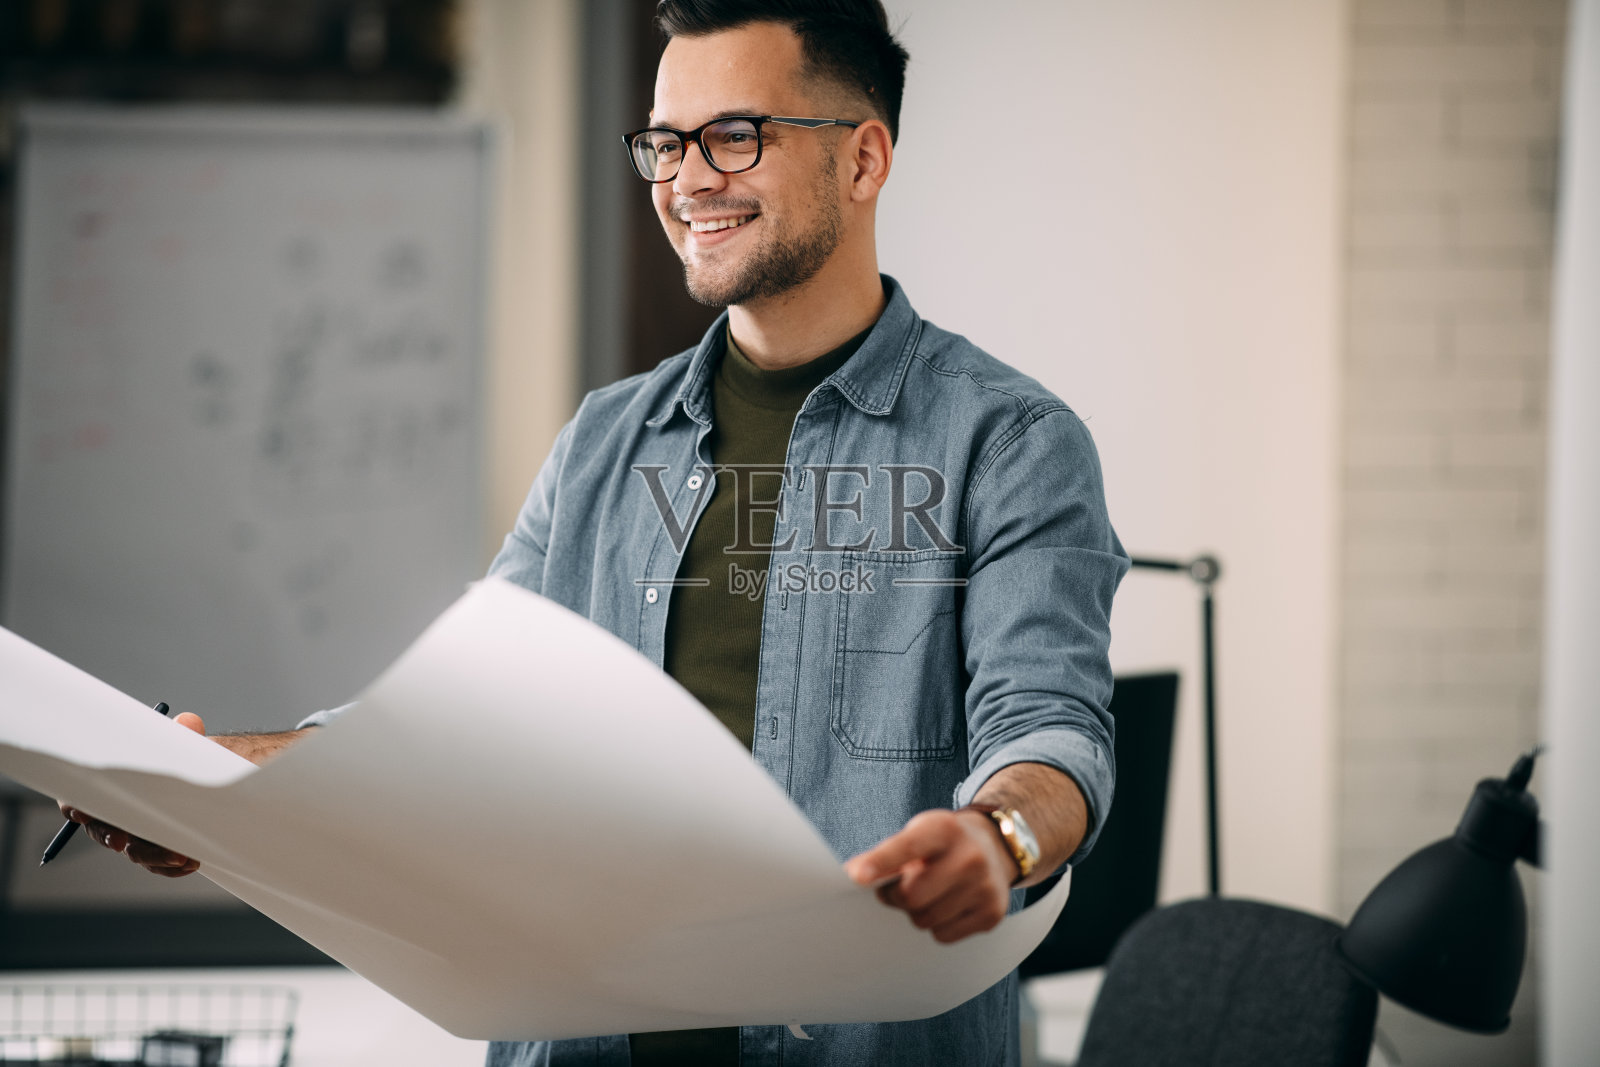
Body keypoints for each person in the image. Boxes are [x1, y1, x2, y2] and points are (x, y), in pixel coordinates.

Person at [62, 1, 1129, 1063]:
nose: (686, 179)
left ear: (862, 159)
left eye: (734, 135)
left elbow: (1051, 731)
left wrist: (999, 838)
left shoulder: (1010, 442)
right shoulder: (604, 443)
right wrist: (208, 784)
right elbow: (452, 726)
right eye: (665, 142)